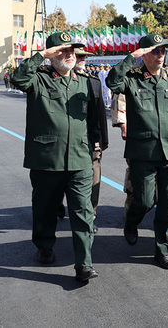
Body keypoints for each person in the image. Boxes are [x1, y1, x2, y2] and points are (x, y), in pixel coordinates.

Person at [11, 31, 100, 282]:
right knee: (45, 208)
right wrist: (40, 55)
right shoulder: (37, 78)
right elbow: (17, 79)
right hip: (46, 158)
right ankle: (44, 244)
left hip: (80, 158)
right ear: (52, 54)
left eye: (72, 50)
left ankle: (84, 263)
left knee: (83, 212)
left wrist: (93, 146)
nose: (69, 55)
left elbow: (92, 120)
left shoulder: (85, 81)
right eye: (63, 50)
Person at [106, 33, 168, 269]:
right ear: (144, 54)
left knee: (167, 203)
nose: (160, 55)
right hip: (142, 151)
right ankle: (131, 221)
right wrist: (131, 57)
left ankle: (163, 250)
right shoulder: (132, 79)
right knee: (144, 200)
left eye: (163, 51)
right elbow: (112, 81)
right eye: (155, 51)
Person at [74, 49, 109, 232]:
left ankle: (91, 213)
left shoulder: (93, 82)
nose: (82, 59)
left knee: (94, 176)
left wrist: (104, 140)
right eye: (78, 56)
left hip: (91, 138)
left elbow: (101, 112)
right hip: (68, 140)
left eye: (84, 56)